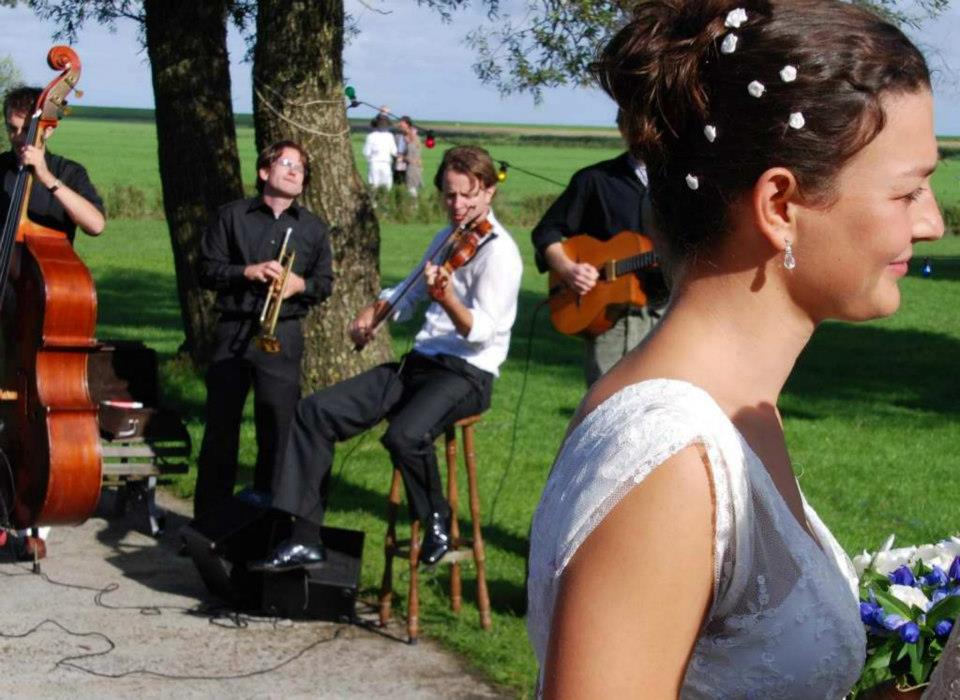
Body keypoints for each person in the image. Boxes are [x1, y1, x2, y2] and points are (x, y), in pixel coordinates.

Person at [526, 1, 944, 697]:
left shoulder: (740, 413)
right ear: (780, 205)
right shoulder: (671, 456)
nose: (931, 222)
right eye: (907, 192)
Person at [252, 145, 523, 572]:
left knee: (404, 434)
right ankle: (304, 537)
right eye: (449, 196)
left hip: (468, 373)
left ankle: (436, 523)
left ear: (488, 192)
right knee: (313, 412)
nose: (458, 205)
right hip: (422, 362)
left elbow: (481, 331)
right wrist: (374, 314)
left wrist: (449, 299)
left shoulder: (500, 253)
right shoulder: (447, 238)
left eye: (468, 195)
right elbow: (410, 292)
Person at [194, 140, 333, 522]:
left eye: (300, 168)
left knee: (278, 428)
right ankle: (208, 522)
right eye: (286, 163)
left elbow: (324, 282)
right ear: (263, 171)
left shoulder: (312, 229)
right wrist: (248, 272)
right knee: (221, 429)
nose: (293, 171)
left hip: (283, 334)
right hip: (233, 329)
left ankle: (269, 521)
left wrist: (298, 285)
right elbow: (206, 269)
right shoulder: (231, 217)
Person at [1, 86, 106, 561]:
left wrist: (44, 177)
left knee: (32, 417)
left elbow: (96, 224)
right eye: (11, 129)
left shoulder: (66, 172)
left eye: (27, 131)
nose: (18, 139)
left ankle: (36, 513)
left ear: (45, 128)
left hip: (37, 320)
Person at [531, 143, 669, 386]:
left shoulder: (682, 181)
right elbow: (546, 232)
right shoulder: (594, 180)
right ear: (622, 127)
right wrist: (567, 268)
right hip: (610, 321)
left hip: (667, 316)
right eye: (632, 120)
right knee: (604, 410)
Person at [363, 113, 398, 189]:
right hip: (386, 163)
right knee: (387, 186)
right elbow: (394, 152)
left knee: (374, 186)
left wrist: (370, 160)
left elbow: (366, 152)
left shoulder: (371, 136)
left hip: (374, 163)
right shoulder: (390, 136)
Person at [398, 116, 423, 197]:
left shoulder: (413, 137)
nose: (400, 125)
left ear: (407, 124)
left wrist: (403, 158)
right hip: (405, 165)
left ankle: (413, 206)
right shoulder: (402, 137)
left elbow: (414, 155)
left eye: (402, 123)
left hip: (412, 166)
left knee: (411, 188)